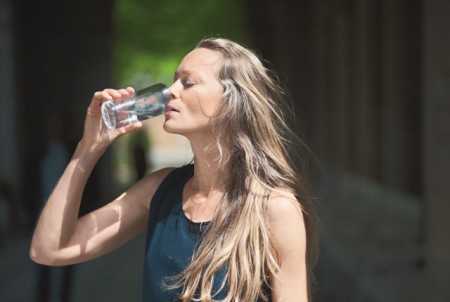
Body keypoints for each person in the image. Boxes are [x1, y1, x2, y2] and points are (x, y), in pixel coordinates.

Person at [30, 37, 318, 302]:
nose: (170, 92)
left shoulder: (274, 208)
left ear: (232, 102)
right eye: (173, 80)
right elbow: (49, 250)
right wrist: (88, 148)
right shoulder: (159, 190)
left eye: (188, 83)